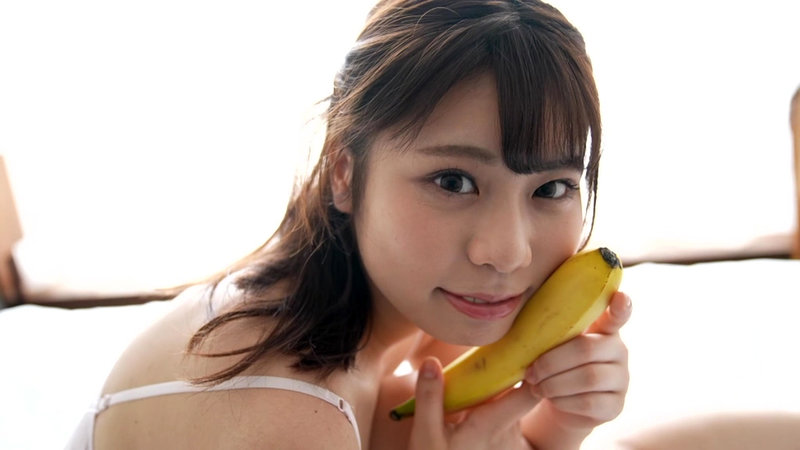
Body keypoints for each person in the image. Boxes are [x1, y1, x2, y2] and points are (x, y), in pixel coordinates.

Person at [67, 0, 632, 448]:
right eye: (453, 182)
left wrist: (560, 424)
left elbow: (420, 417)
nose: (507, 252)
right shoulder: (291, 418)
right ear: (344, 171)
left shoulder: (390, 303)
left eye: (551, 189)